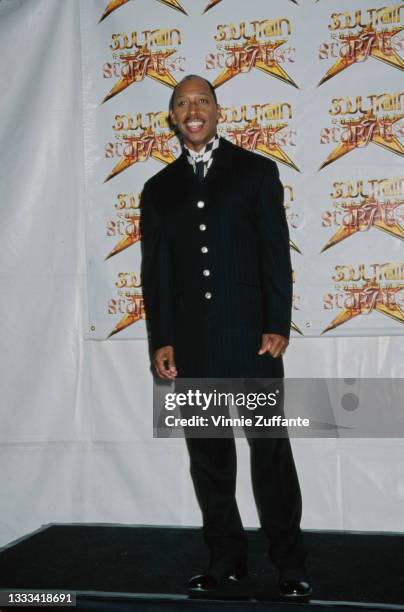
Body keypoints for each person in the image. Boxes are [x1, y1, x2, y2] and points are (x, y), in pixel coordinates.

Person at [140, 74, 312, 599]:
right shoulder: (157, 189)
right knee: (209, 458)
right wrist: (161, 339)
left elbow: (274, 255)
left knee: (270, 454)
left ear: (217, 111)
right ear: (172, 117)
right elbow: (157, 273)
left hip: (253, 342)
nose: (193, 109)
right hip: (192, 345)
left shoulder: (257, 172)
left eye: (202, 101)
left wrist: (276, 324)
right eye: (182, 103)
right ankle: (225, 559)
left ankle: (288, 562)